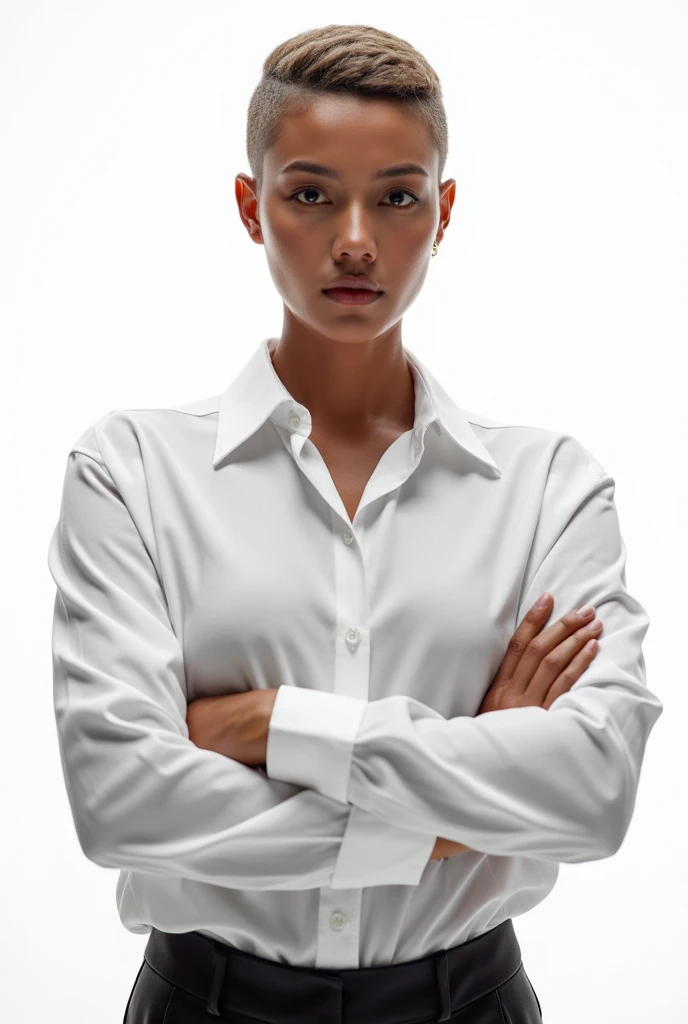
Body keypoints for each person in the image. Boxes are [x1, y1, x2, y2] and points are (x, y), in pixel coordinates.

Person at [47, 23, 662, 1024]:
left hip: (471, 1000)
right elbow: (122, 802)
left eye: (396, 197)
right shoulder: (131, 473)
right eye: (310, 193)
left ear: (443, 211)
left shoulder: (549, 487)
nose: (355, 241)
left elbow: (591, 791)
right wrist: (462, 806)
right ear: (251, 206)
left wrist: (269, 724)